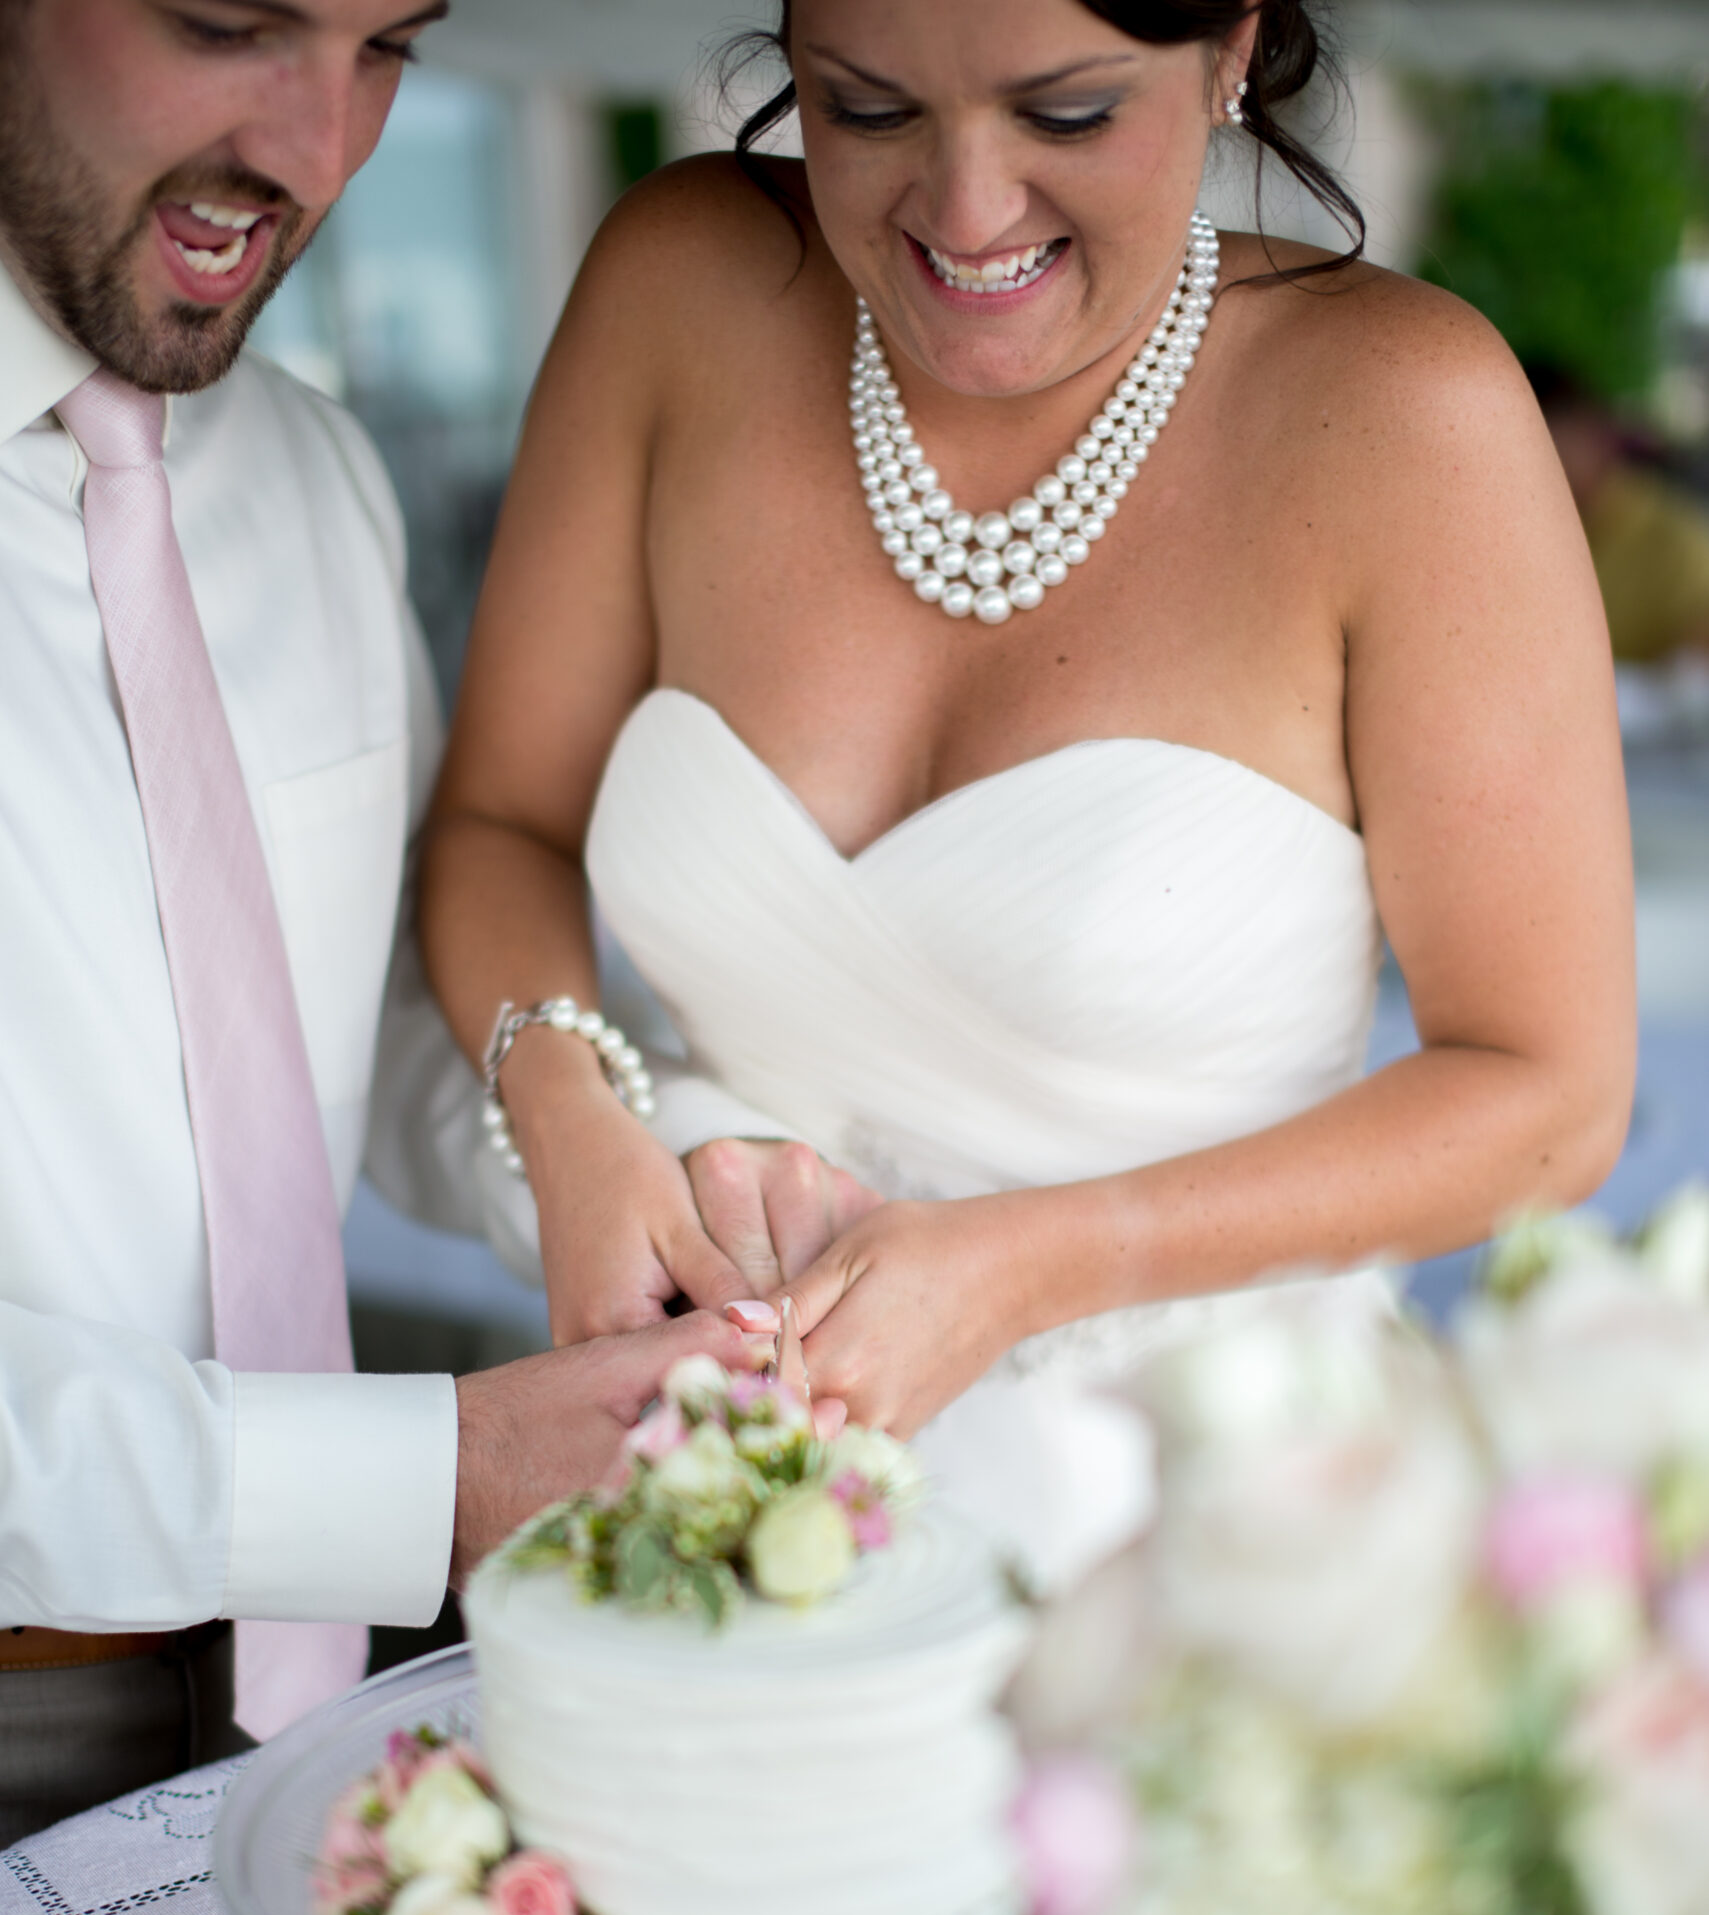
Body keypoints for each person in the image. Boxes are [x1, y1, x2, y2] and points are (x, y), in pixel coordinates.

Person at [417, 0, 1635, 1579]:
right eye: (865, 111)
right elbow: (500, 822)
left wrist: (1034, 1263)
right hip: (703, 1504)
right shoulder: (681, 283)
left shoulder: (1406, 418)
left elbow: (1546, 1097)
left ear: (1226, 51)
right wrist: (573, 1122)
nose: (965, 210)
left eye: (1063, 117)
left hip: (1205, 1541)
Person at [0, 0, 774, 1850]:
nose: (320, 150)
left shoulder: (314, 479)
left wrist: (630, 1172)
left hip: (332, 1712)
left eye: (385, 47)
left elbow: (348, 1033)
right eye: (231, 22)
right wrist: (426, 1478)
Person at [1531, 364, 1709, 669]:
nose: (1538, 460)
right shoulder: (1517, 534)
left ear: (1594, 434)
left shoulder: (1682, 542)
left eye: (1547, 439)